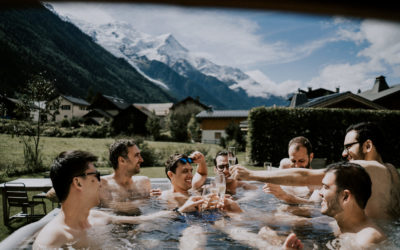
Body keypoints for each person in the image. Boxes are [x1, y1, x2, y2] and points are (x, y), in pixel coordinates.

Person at [231, 122, 400, 220]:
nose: (343, 153)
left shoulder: (366, 168)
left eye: (348, 147)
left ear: (368, 145)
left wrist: (250, 174)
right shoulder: (392, 171)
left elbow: (306, 176)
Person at [33, 150, 173, 249]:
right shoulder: (53, 240)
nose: (100, 183)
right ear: (78, 183)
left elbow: (143, 220)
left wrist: (180, 211)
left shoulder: (96, 217)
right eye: (96, 176)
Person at [160, 152, 242, 213]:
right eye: (185, 171)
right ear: (171, 175)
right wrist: (182, 210)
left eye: (191, 171)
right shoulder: (165, 197)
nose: (191, 175)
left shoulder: (193, 192)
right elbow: (161, 220)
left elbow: (202, 174)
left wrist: (217, 201)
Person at [99, 139, 159, 214]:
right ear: (122, 160)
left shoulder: (143, 182)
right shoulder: (102, 185)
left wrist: (155, 198)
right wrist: (142, 201)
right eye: (136, 155)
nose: (141, 160)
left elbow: (148, 209)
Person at [264, 136, 320, 204]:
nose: (297, 166)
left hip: (300, 212)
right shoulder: (285, 166)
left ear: (311, 157)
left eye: (301, 161)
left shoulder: (317, 181)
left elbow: (314, 205)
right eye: (293, 161)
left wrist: (284, 196)